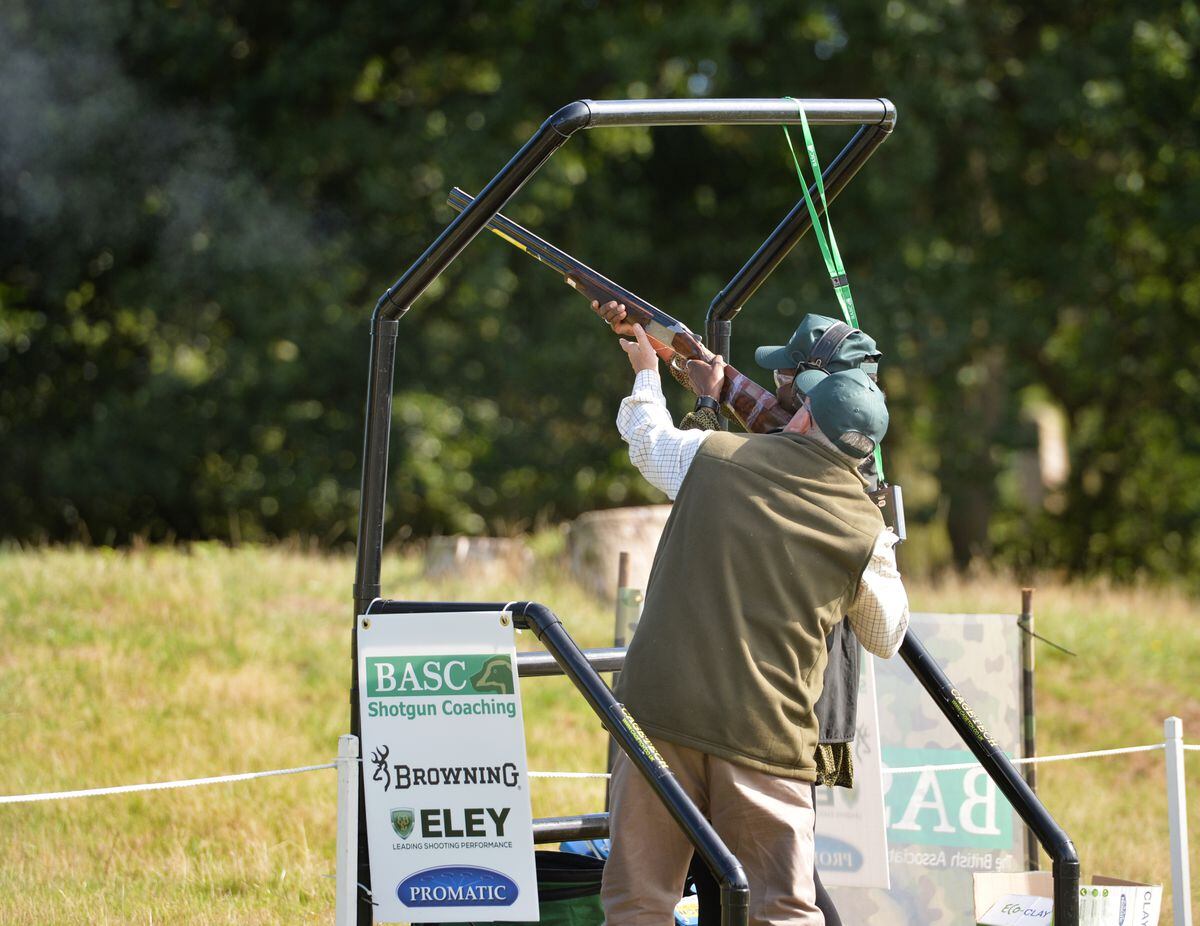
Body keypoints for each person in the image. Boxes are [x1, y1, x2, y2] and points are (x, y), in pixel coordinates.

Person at [600, 321, 909, 925]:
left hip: (659, 712)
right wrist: (879, 544)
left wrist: (646, 372)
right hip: (765, 729)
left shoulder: (712, 457)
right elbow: (886, 636)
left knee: (640, 901)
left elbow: (647, 438)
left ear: (799, 415)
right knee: (782, 911)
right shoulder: (863, 531)